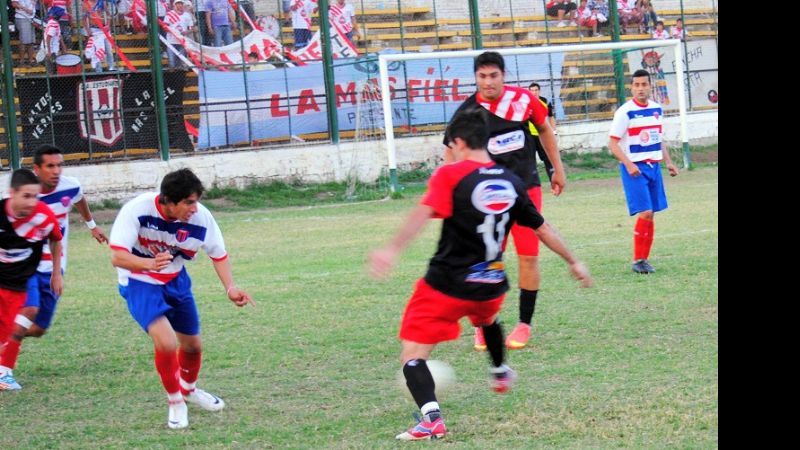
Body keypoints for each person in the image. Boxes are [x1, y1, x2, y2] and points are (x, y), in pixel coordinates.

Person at [369, 109, 592, 441]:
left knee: (412, 355)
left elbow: (421, 214)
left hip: (446, 285)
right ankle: (500, 371)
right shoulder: (510, 180)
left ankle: (431, 419)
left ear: (459, 142)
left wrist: (391, 249)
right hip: (490, 284)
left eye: (450, 147)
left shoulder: (450, 175)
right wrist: (574, 261)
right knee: (487, 319)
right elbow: (542, 228)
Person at [108, 168, 254, 429]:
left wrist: (230, 288)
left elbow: (218, 253)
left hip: (176, 280)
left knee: (193, 346)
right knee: (165, 342)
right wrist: (149, 263)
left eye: (196, 201)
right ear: (168, 200)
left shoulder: (201, 218)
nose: (194, 208)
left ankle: (189, 390)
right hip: (139, 281)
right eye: (188, 202)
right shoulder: (137, 210)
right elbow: (118, 257)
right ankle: (175, 401)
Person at [447, 51, 567, 352]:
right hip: (487, 196)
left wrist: (557, 168)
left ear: (504, 75)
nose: (488, 82)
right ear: (476, 78)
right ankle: (483, 325)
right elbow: (450, 152)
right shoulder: (467, 112)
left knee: (529, 256)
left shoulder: (524, 100)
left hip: (526, 189)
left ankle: (524, 324)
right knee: (486, 261)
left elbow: (544, 129)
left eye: (494, 75)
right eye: (482, 76)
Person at [0, 146, 108, 390]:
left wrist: (91, 225)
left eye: (59, 165)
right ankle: (4, 371)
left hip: (54, 266)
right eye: (50, 166)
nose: (56, 171)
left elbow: (79, 199)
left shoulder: (70, 187)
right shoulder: (24, 196)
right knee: (28, 309)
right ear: (37, 169)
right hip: (25, 266)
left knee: (38, 328)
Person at [608, 69, 679, 274]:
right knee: (645, 212)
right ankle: (638, 260)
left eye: (644, 84)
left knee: (651, 213)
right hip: (635, 169)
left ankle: (644, 259)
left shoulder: (657, 109)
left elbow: (658, 139)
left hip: (654, 167)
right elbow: (613, 144)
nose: (640, 88)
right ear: (631, 87)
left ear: (650, 86)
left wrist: (668, 162)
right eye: (636, 85)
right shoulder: (625, 112)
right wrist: (629, 165)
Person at [0, 169, 63, 391]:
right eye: (26, 196)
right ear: (12, 193)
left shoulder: (43, 215)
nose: (31, 202)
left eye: (35, 196)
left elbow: (56, 240)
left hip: (24, 276)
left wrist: (56, 273)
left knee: (30, 312)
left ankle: (4, 372)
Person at [12, 0, 36, 67]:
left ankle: (31, 60)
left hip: (31, 18)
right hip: (22, 17)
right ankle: (21, 61)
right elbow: (14, 4)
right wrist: (26, 9)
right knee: (24, 41)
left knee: (31, 41)